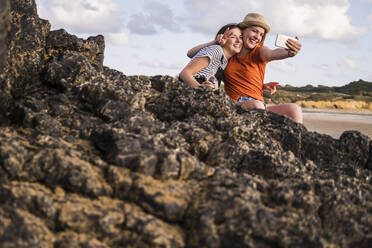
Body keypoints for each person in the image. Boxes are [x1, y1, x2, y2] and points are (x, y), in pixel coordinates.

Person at [187, 13, 303, 123]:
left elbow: (272, 53)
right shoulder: (228, 53)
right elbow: (191, 54)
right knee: (255, 105)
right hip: (236, 106)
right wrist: (215, 42)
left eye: (261, 35)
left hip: (259, 106)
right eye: (254, 31)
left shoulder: (259, 51)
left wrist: (289, 53)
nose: (257, 37)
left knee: (294, 109)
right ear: (243, 31)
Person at [179, 24, 242, 89]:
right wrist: (201, 88)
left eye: (241, 37)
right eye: (233, 37)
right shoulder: (216, 51)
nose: (238, 41)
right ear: (222, 38)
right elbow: (184, 73)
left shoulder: (224, 61)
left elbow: (190, 54)